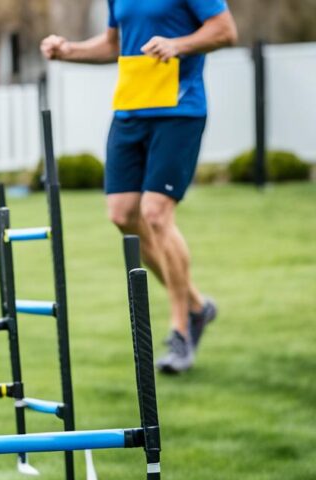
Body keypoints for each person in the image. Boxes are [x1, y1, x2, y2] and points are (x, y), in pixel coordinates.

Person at [40, 0, 237, 374]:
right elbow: (116, 44)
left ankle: (181, 327)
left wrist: (178, 45)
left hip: (179, 110)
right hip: (130, 111)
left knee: (156, 214)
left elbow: (225, 30)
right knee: (122, 214)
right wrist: (70, 51)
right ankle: (197, 305)